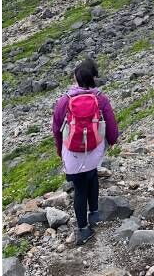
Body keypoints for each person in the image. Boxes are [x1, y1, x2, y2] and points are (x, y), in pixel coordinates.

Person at [52, 58, 119, 245]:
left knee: (80, 189)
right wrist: (112, 141)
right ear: (94, 78)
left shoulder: (64, 100)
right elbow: (111, 125)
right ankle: (95, 213)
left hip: (73, 153)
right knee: (92, 177)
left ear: (76, 77)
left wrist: (60, 150)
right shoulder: (101, 99)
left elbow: (56, 128)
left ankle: (83, 229)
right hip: (94, 149)